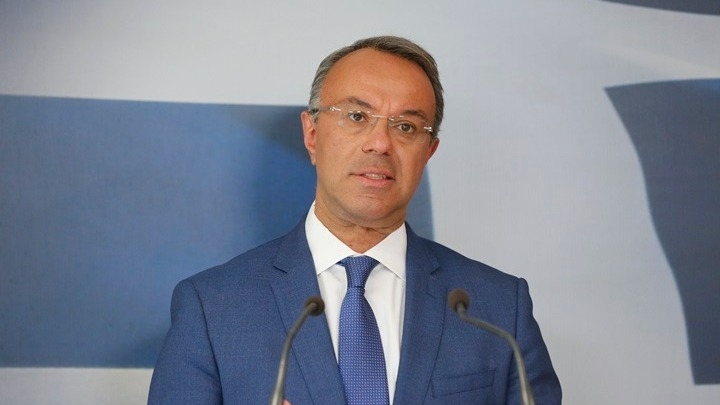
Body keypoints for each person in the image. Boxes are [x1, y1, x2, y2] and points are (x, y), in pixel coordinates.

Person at [148, 35, 561, 405]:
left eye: (406, 126)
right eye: (357, 117)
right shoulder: (213, 307)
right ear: (312, 134)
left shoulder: (498, 309)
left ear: (428, 152)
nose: (380, 144)